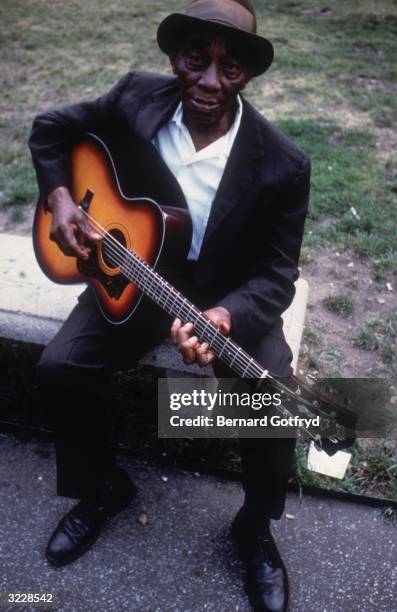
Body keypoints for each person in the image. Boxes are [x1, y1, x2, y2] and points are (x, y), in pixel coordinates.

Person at [29, 1, 310, 610]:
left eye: (229, 68)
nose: (208, 82)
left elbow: (277, 272)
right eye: (195, 60)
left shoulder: (283, 164)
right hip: (133, 269)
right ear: (174, 57)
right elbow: (51, 129)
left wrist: (226, 315)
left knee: (272, 393)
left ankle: (254, 527)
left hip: (226, 296)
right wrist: (60, 199)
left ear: (247, 75)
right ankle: (103, 488)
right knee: (60, 368)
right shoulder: (135, 97)